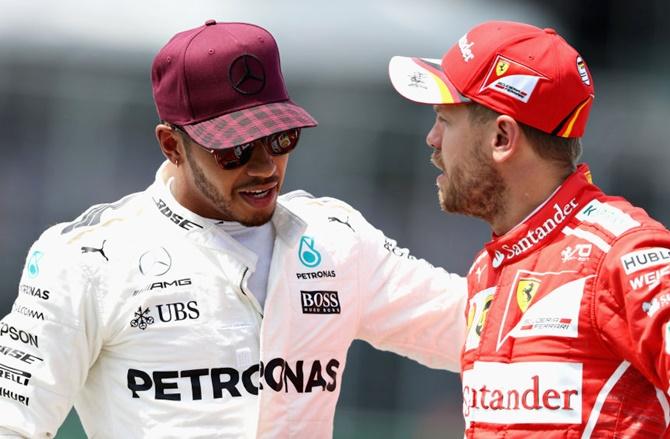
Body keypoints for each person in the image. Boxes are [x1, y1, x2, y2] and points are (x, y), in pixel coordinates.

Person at [0, 20, 467, 438]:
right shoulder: (89, 258)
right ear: (172, 145)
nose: (265, 167)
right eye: (235, 148)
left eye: (282, 138)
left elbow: (478, 329)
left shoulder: (336, 240)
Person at [389, 20, 670, 437]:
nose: (431, 139)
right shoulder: (488, 269)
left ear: (502, 137)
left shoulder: (622, 256)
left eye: (445, 120)